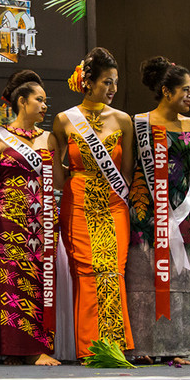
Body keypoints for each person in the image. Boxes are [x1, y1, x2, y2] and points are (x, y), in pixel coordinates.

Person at [53, 48, 134, 360]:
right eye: (106, 83)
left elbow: (126, 172)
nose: (112, 89)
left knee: (112, 270)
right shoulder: (63, 121)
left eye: (115, 83)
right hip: (78, 203)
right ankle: (90, 349)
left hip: (114, 204)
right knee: (86, 272)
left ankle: (114, 346)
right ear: (87, 82)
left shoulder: (123, 121)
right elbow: (59, 177)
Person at [0, 70, 63, 366]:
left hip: (42, 221)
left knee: (42, 282)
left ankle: (37, 348)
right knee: (12, 284)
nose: (44, 106)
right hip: (8, 217)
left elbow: (57, 183)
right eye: (39, 100)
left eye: (46, 101)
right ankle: (15, 350)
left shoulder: (49, 139)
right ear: (21, 102)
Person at [126, 56, 190, 365]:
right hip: (145, 211)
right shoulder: (139, 122)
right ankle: (143, 346)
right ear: (167, 91)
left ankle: (178, 346)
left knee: (179, 278)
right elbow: (129, 167)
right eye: (185, 90)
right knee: (143, 277)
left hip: (180, 212)